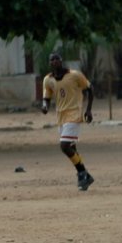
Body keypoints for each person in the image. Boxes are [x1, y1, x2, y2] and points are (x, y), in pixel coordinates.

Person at [41, 52, 95, 191]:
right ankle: (85, 176)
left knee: (64, 146)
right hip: (61, 117)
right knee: (72, 148)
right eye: (51, 59)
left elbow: (89, 89)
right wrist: (45, 105)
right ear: (50, 63)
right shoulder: (48, 79)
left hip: (74, 113)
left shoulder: (75, 75)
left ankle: (82, 172)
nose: (54, 61)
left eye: (57, 59)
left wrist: (88, 110)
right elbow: (47, 95)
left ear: (61, 60)